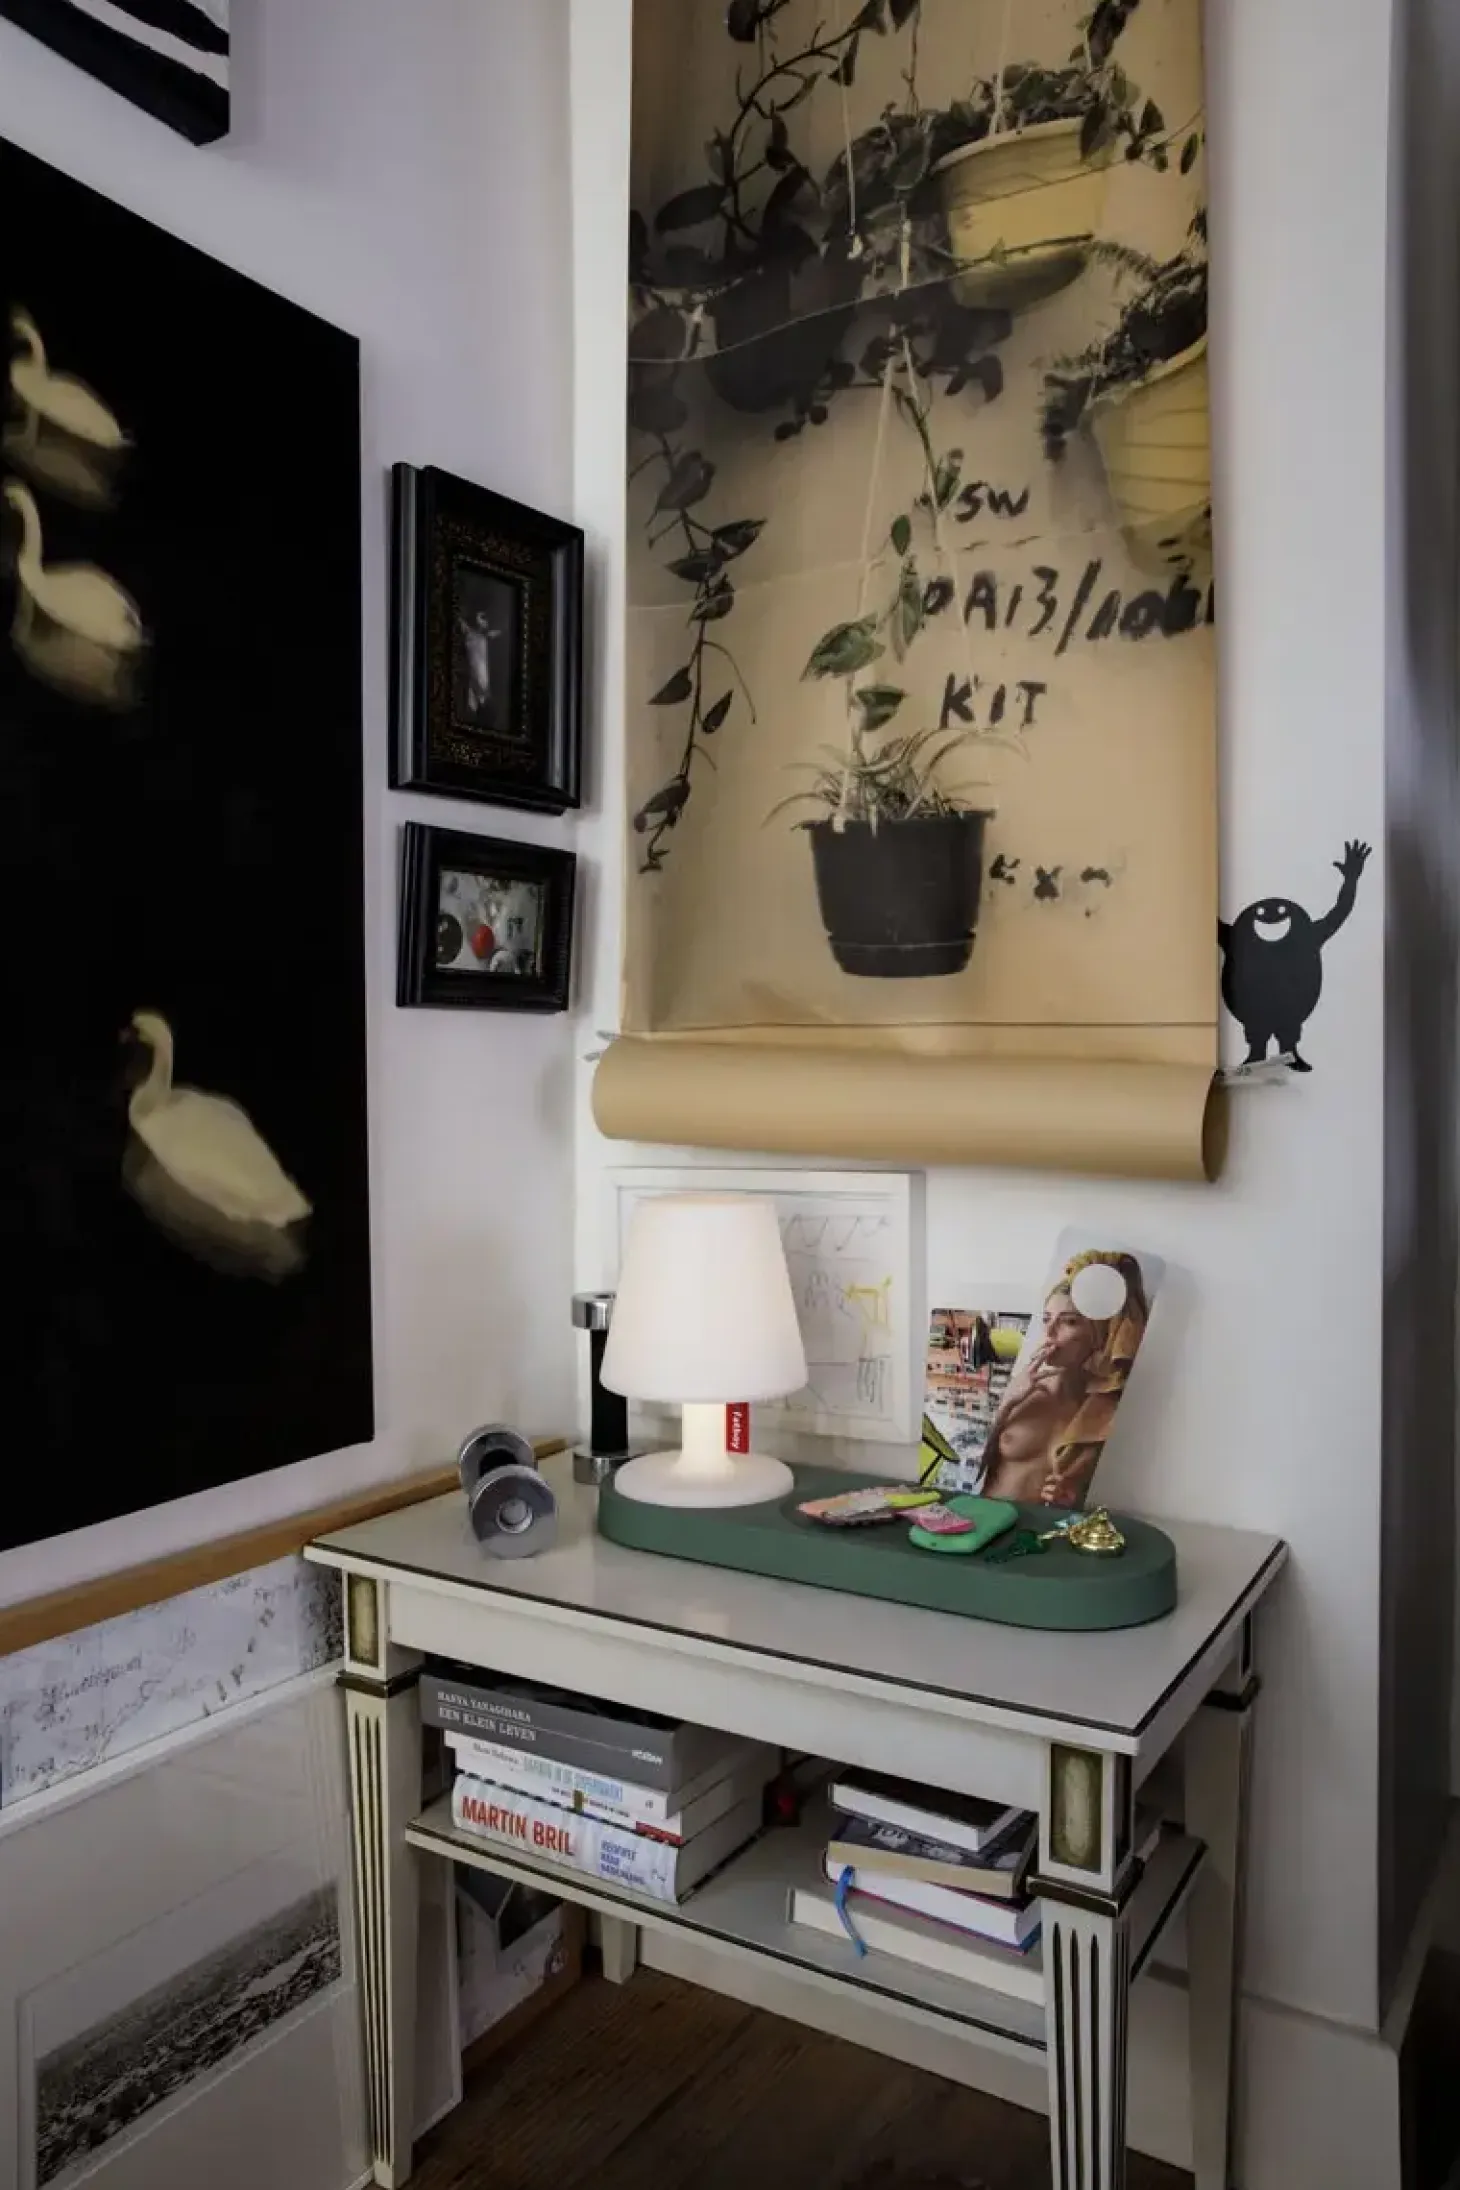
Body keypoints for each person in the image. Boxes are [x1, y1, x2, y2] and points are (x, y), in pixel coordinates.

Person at [979, 1251, 1150, 1509]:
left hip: (1039, 1531)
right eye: (1047, 1319)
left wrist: (1069, 1501)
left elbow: (1111, 1497)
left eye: (1069, 1321)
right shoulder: (1024, 1389)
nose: (1049, 1332)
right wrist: (1008, 1403)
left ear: (1099, 1335)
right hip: (982, 1521)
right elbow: (973, 1471)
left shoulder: (1105, 1415)